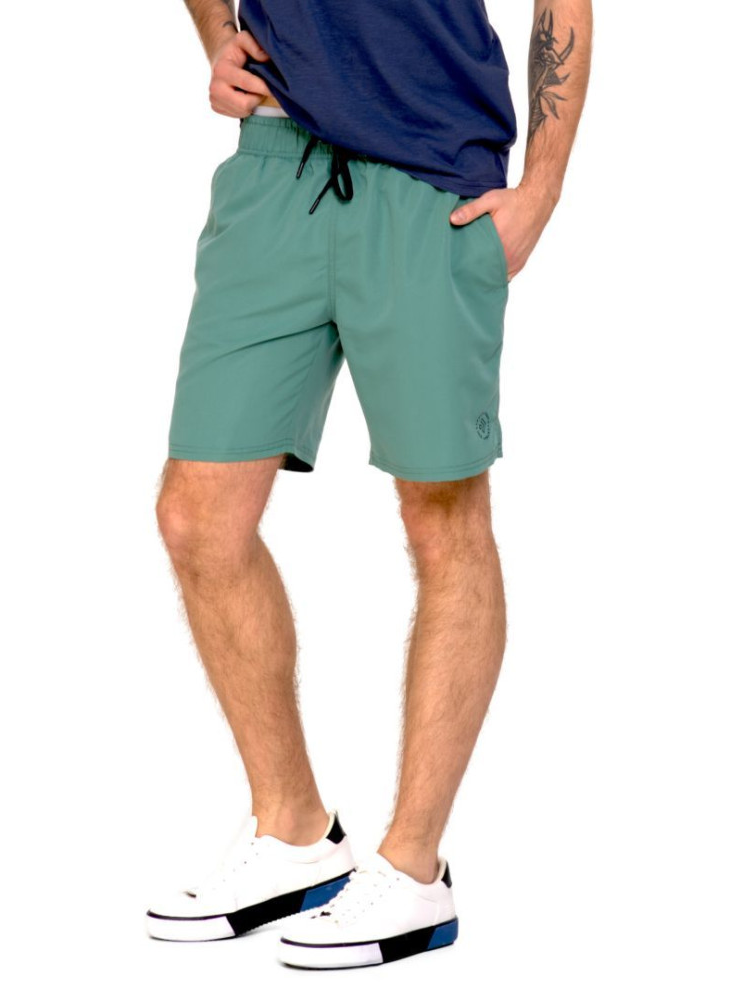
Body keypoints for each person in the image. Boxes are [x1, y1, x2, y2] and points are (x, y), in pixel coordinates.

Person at [147, 0, 592, 969]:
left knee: (443, 518)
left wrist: (543, 188)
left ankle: (414, 868)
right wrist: (219, 37)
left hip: (432, 182)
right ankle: (294, 830)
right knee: (196, 516)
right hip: (273, 169)